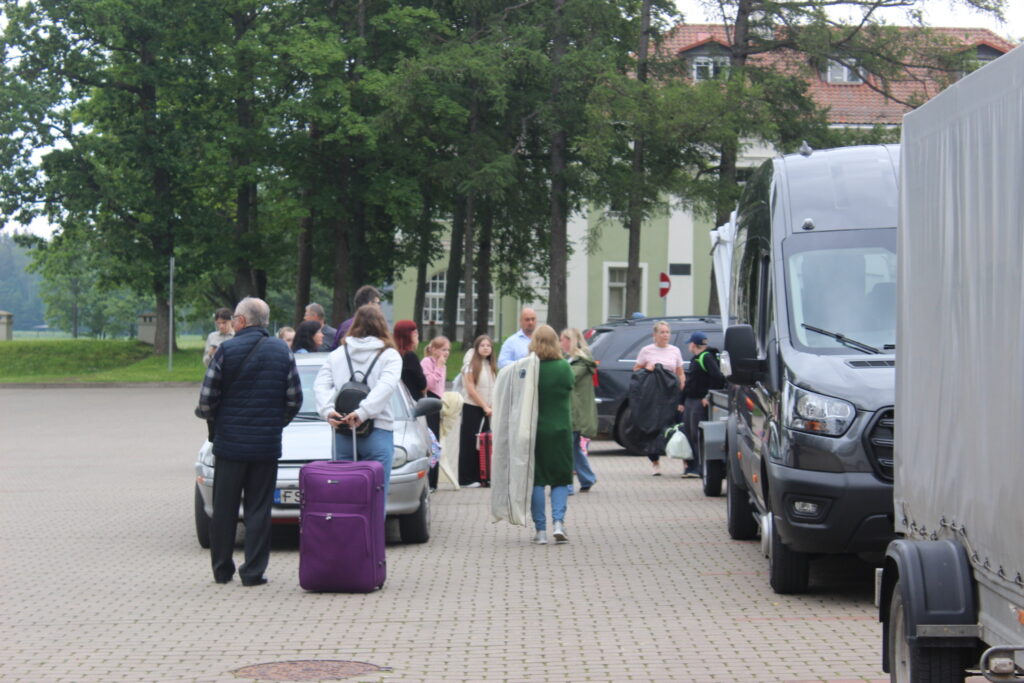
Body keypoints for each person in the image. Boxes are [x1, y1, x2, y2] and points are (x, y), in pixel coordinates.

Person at [195, 297, 302, 586]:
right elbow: (294, 399)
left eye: (235, 318)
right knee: (259, 509)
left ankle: (222, 570)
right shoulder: (282, 351)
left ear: (241, 320)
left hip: (230, 446)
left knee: (224, 509)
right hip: (266, 446)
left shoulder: (226, 350)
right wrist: (274, 423)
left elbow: (206, 400)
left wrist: (219, 421)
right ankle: (253, 572)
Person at [314, 304, 402, 507]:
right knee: (376, 496)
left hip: (343, 430)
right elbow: (386, 387)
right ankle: (373, 529)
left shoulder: (337, 354)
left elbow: (320, 384)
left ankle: (345, 529)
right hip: (378, 429)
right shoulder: (389, 355)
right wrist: (363, 412)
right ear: (382, 325)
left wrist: (327, 411)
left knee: (343, 495)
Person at [528, 325, 575, 544]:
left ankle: (540, 531)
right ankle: (558, 523)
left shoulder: (530, 367)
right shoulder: (564, 366)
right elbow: (569, 387)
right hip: (561, 429)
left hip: (535, 430)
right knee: (560, 478)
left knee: (537, 479)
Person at [631, 321, 686, 475]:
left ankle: (686, 462)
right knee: (653, 426)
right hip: (653, 394)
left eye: (667, 332)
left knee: (676, 425)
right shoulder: (646, 350)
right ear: (654, 335)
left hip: (671, 393)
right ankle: (655, 462)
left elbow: (680, 372)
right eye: (662, 332)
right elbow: (636, 370)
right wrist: (647, 368)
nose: (665, 335)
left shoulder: (675, 351)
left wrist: (682, 385)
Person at [680, 331, 725, 478]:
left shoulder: (706, 358)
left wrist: (707, 396)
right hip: (690, 400)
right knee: (689, 432)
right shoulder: (697, 358)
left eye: (690, 344)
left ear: (693, 344)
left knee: (696, 434)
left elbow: (718, 377)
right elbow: (689, 382)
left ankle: (699, 468)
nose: (689, 346)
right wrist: (681, 401)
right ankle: (692, 466)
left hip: (698, 402)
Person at [561, 328, 598, 492]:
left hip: (575, 412)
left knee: (567, 449)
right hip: (575, 411)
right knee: (574, 448)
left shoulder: (580, 362)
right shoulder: (575, 360)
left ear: (570, 341)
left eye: (562, 339)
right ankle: (587, 478)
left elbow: (567, 378)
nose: (560, 343)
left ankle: (567, 485)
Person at [458, 334, 496, 487]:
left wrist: (491, 406)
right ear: (476, 347)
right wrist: (484, 406)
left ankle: (482, 476)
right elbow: (471, 389)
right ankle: (466, 479)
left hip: (487, 410)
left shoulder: (490, 365)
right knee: (469, 443)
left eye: (488, 345)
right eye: (482, 345)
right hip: (472, 407)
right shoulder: (470, 365)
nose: (486, 348)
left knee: (484, 444)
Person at [421, 335, 451, 491]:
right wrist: (438, 367)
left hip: (437, 402)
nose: (446, 353)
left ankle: (434, 482)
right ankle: (428, 480)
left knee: (436, 443)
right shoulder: (426, 362)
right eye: (443, 349)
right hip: (429, 402)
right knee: (431, 441)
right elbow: (428, 384)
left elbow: (440, 388)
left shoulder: (443, 365)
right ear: (433, 349)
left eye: (448, 350)